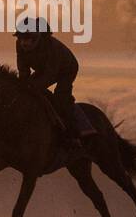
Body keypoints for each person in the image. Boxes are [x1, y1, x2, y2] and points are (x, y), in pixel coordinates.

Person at [15, 16, 97, 148]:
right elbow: (23, 68)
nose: (24, 43)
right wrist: (22, 85)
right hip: (44, 68)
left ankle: (81, 129)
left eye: (27, 39)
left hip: (66, 69)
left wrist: (33, 87)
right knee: (27, 91)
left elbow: (50, 74)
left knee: (61, 97)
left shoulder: (51, 47)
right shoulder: (20, 44)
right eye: (21, 39)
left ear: (37, 37)